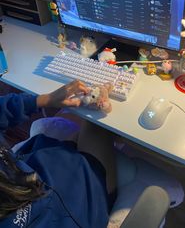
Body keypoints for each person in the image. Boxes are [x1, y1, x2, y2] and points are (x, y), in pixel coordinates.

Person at [0, 80, 117, 228]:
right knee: (96, 125)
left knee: (74, 119)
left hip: (32, 171)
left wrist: (45, 99)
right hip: (74, 208)